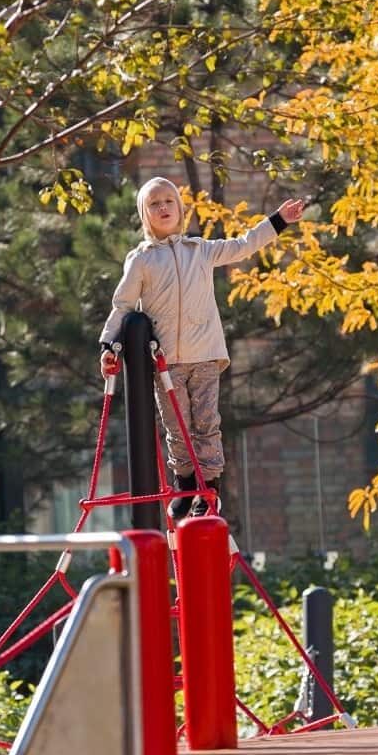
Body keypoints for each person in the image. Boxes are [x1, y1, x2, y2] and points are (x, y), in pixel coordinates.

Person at [99, 176, 309, 519]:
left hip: (206, 354)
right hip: (166, 362)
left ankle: (209, 488)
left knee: (207, 423)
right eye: (154, 204)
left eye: (169, 201)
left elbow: (244, 244)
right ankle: (185, 484)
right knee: (177, 426)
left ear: (180, 209)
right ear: (144, 215)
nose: (163, 207)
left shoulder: (201, 250)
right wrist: (110, 345)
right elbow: (122, 305)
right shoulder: (142, 261)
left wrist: (278, 220)